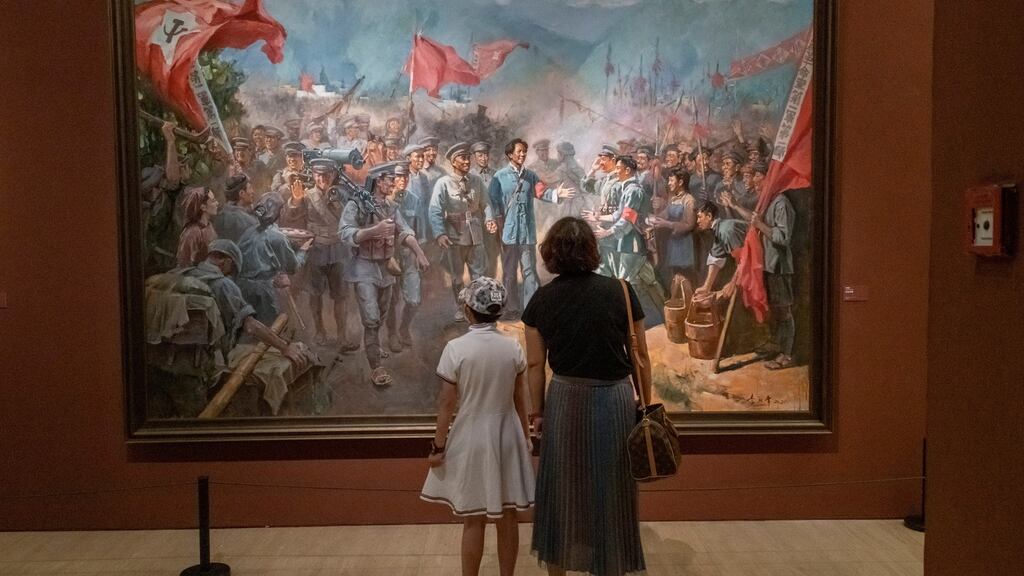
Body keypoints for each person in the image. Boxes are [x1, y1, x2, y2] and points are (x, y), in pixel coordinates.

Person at [523, 217, 649, 576]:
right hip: (615, 400)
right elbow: (640, 355)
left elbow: (535, 364)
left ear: (551, 255)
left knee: (562, 490)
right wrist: (645, 402)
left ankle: (559, 569)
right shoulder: (621, 291)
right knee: (612, 490)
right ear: (592, 250)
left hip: (564, 398)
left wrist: (537, 414)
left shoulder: (542, 298)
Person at [420, 276, 535, 576]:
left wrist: (438, 447)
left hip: (471, 435)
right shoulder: (512, 348)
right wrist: (526, 436)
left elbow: (447, 404)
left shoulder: (456, 349)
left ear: (469, 310)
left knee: (473, 517)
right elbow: (520, 399)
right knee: (508, 515)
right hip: (507, 434)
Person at [339, 161, 429, 385]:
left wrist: (419, 253)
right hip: (363, 268)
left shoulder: (390, 206)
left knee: (380, 315)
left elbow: (404, 230)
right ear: (378, 181)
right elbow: (345, 232)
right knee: (370, 319)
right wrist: (373, 231)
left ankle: (374, 347)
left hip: (385, 267)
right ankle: (376, 367)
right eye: (390, 179)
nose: (394, 183)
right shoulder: (356, 204)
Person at [719, 162, 797, 369]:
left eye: (751, 176)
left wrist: (760, 225)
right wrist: (735, 206)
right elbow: (754, 221)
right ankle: (776, 345)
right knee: (773, 309)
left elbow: (783, 237)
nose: (748, 180)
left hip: (778, 266)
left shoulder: (781, 203)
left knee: (783, 311)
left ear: (763, 177)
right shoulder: (767, 201)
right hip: (767, 265)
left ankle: (787, 354)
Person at [487, 138, 574, 319]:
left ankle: (532, 307)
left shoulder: (531, 175)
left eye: (524, 151)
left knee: (530, 271)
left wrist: (557, 194)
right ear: (510, 154)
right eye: (519, 151)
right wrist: (492, 220)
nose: (522, 154)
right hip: (508, 233)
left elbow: (541, 192)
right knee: (510, 272)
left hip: (526, 232)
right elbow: (492, 202)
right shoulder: (499, 177)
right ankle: (511, 308)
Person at [280, 158, 359, 350]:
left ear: (333, 175)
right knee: (315, 294)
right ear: (313, 175)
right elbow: (288, 220)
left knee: (340, 295)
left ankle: (342, 335)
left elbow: (353, 219)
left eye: (327, 174)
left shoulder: (343, 195)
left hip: (338, 249)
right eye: (318, 174)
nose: (322, 178)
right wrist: (295, 201)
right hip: (316, 249)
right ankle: (320, 331)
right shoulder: (306, 196)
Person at [429, 142, 490, 322]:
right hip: (455, 236)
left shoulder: (476, 181)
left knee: (478, 274)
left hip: (476, 234)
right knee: (457, 277)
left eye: (468, 158)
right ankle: (460, 307)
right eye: (463, 158)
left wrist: (490, 218)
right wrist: (440, 233)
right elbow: (434, 211)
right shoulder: (443, 183)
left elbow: (486, 204)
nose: (467, 161)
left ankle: (477, 307)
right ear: (453, 162)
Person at [648, 169, 698, 289]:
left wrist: (667, 224)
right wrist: (652, 218)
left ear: (680, 182)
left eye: (671, 180)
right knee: (674, 274)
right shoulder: (673, 199)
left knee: (685, 275)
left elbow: (689, 224)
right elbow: (664, 214)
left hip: (684, 244)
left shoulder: (689, 200)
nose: (669, 183)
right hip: (673, 242)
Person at [176, 186, 220, 268]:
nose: (217, 203)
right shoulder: (192, 233)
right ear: (203, 207)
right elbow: (184, 265)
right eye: (213, 201)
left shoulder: (209, 226)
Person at [212, 174, 258, 243]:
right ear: (241, 193)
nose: (253, 192)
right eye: (250, 188)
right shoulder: (246, 220)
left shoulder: (223, 214)